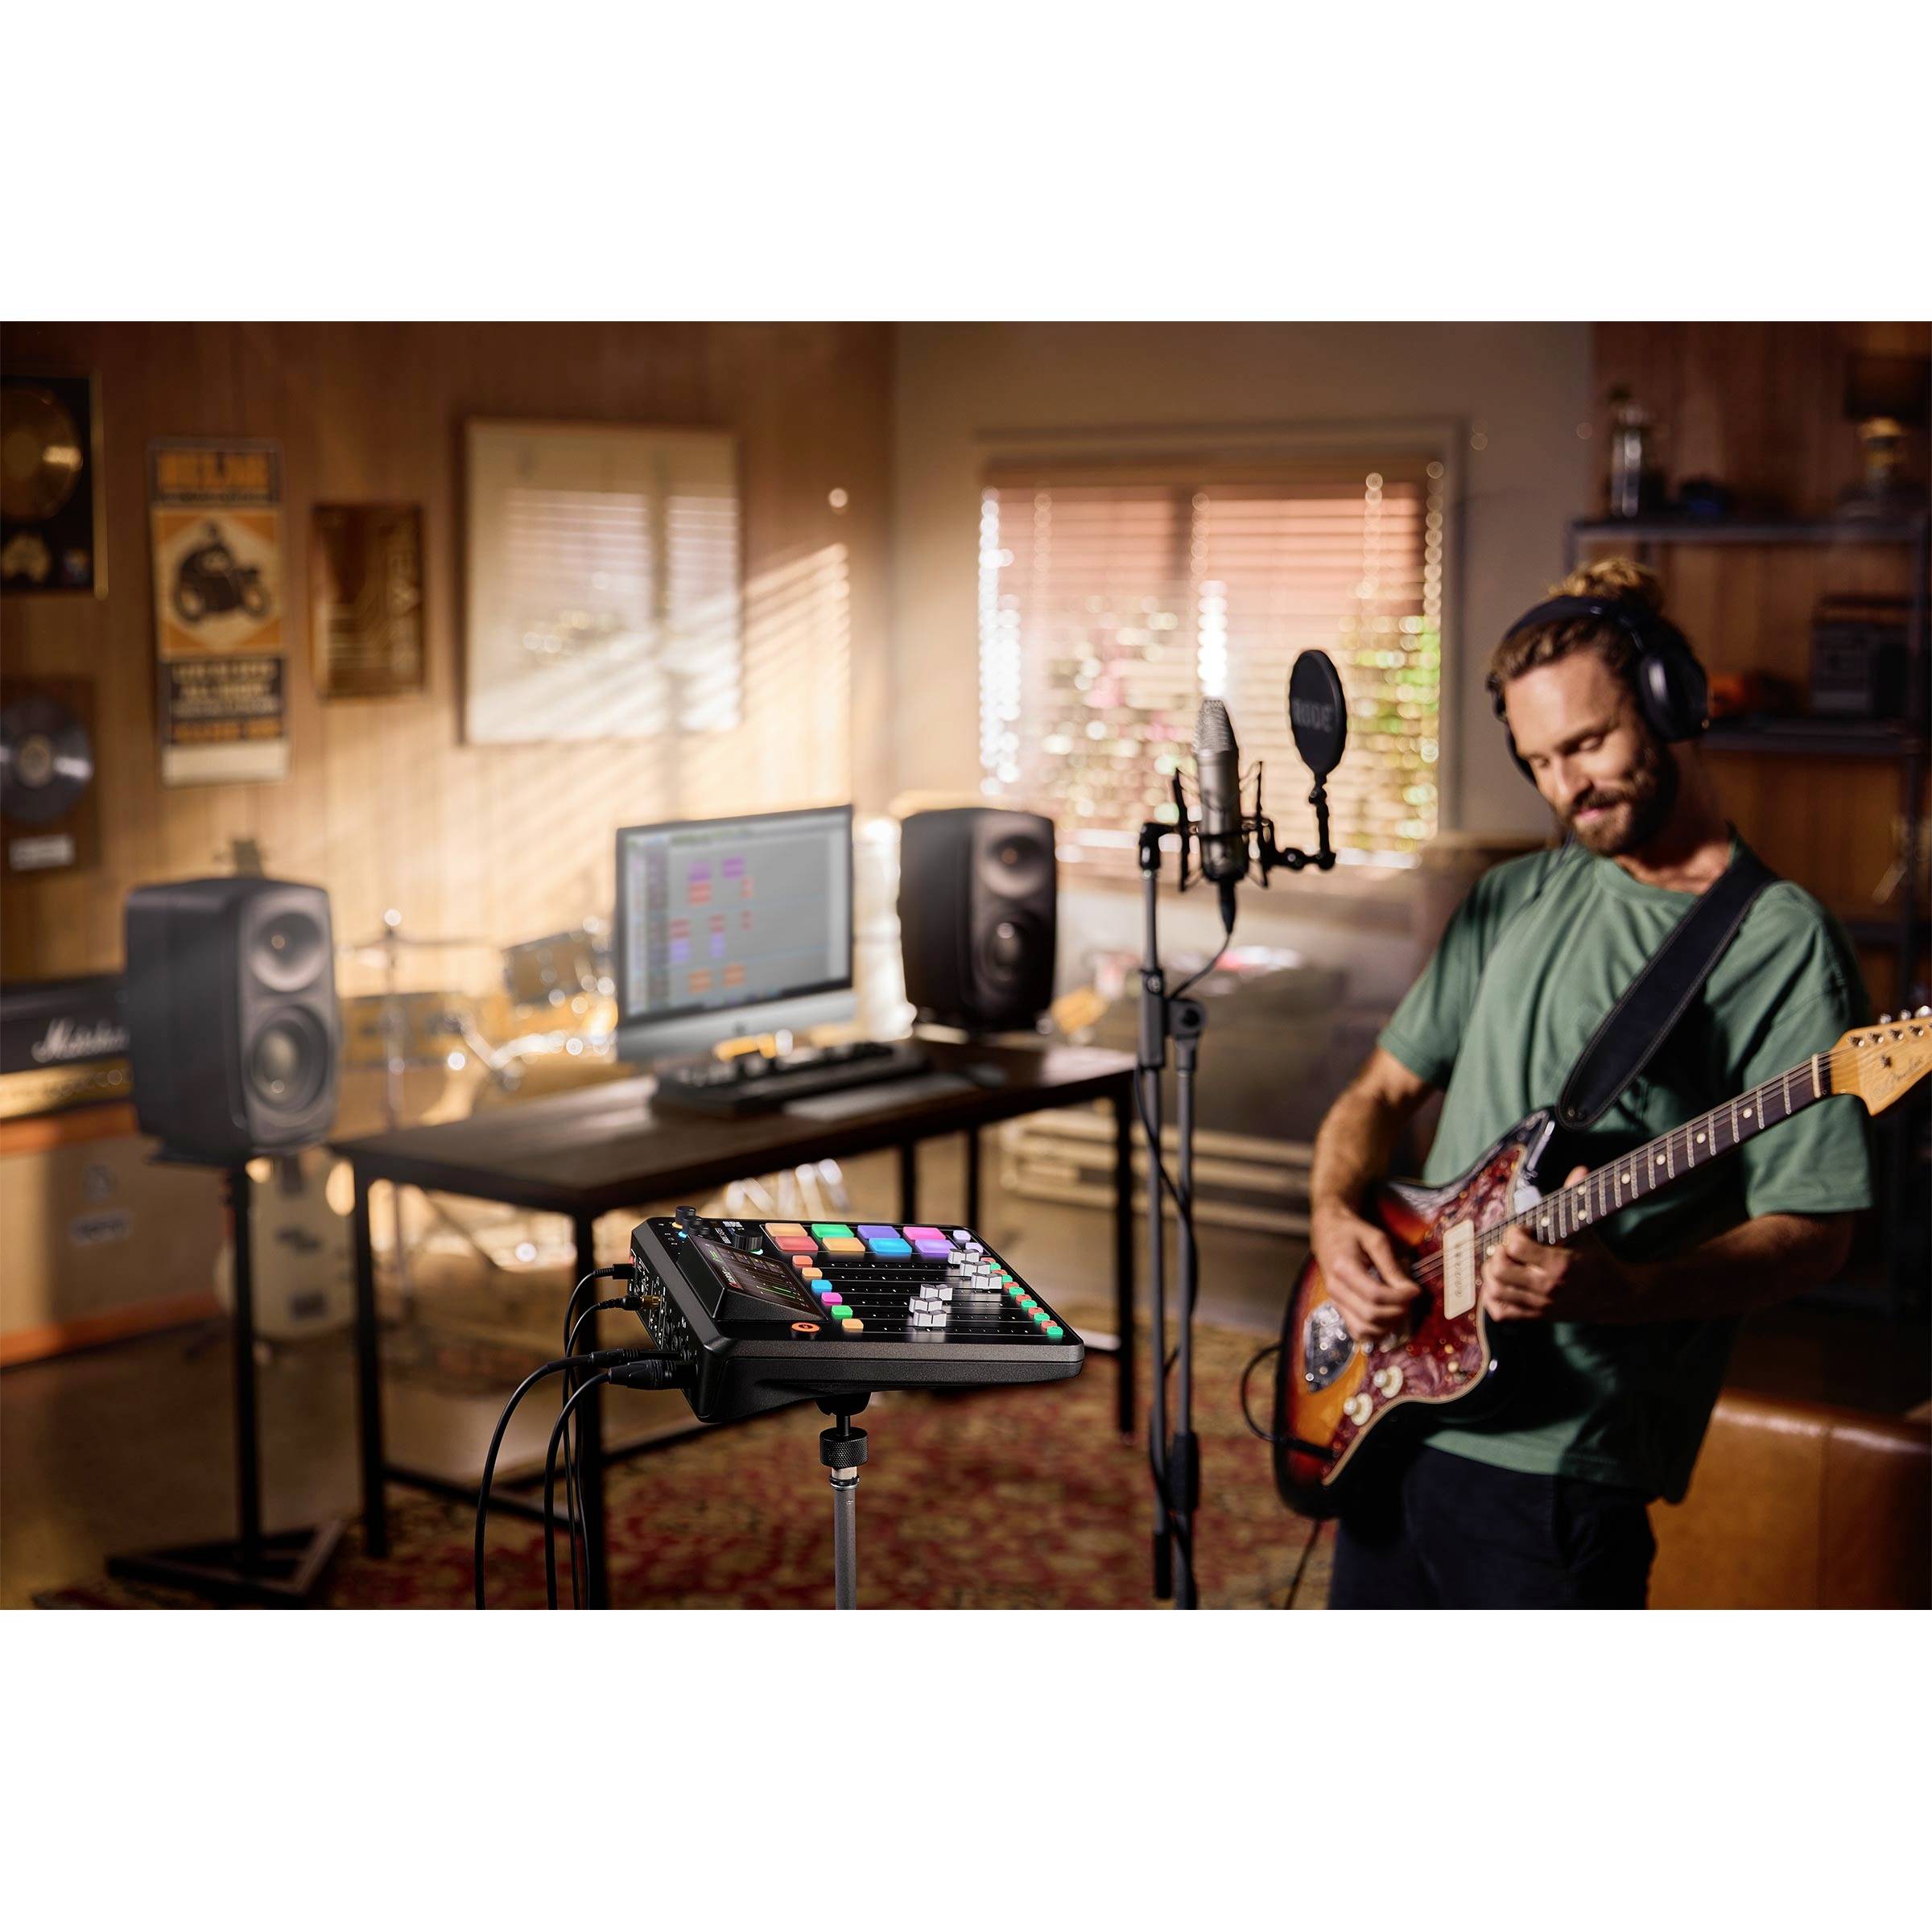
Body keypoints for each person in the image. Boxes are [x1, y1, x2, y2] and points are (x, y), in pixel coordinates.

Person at [1307, 557, 1873, 1608]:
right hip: (1392, 1410)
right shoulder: (1509, 897)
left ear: (1673, 703)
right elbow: (1376, 1096)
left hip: (1562, 1463)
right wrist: (1335, 1219)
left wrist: (1633, 1292)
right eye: (1539, 761)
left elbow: (1816, 1230)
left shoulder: (1782, 943)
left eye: (1586, 743)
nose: (1567, 785)